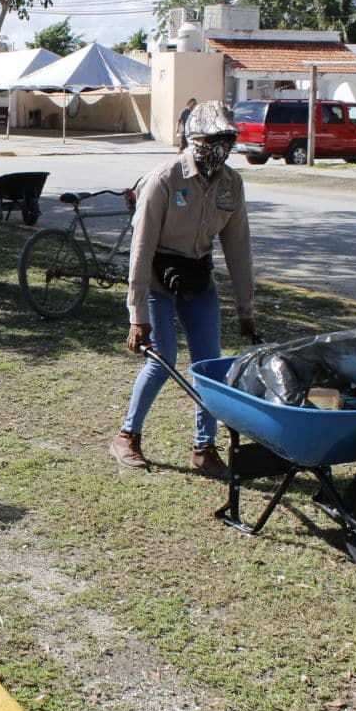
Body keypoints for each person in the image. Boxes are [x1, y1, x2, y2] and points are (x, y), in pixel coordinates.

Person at [110, 100, 256, 479]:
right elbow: (141, 250)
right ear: (194, 139)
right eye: (212, 140)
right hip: (157, 278)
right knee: (163, 359)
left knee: (210, 366)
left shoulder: (231, 185)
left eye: (227, 140)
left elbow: (238, 248)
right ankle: (127, 436)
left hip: (198, 280)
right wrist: (137, 315)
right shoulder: (164, 179)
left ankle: (204, 448)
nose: (220, 149)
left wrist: (246, 308)